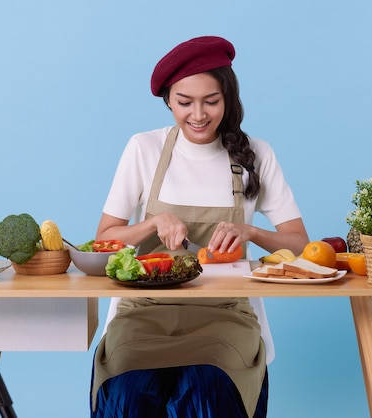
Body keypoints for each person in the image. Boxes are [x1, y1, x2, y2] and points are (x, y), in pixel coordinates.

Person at [91, 36, 309, 418]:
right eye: (184, 102)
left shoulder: (256, 154)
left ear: (228, 98)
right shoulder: (144, 149)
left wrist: (252, 233)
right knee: (126, 393)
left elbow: (301, 246)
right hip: (143, 311)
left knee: (208, 393)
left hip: (224, 312)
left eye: (211, 101)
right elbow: (103, 240)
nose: (198, 115)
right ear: (168, 102)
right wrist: (152, 224)